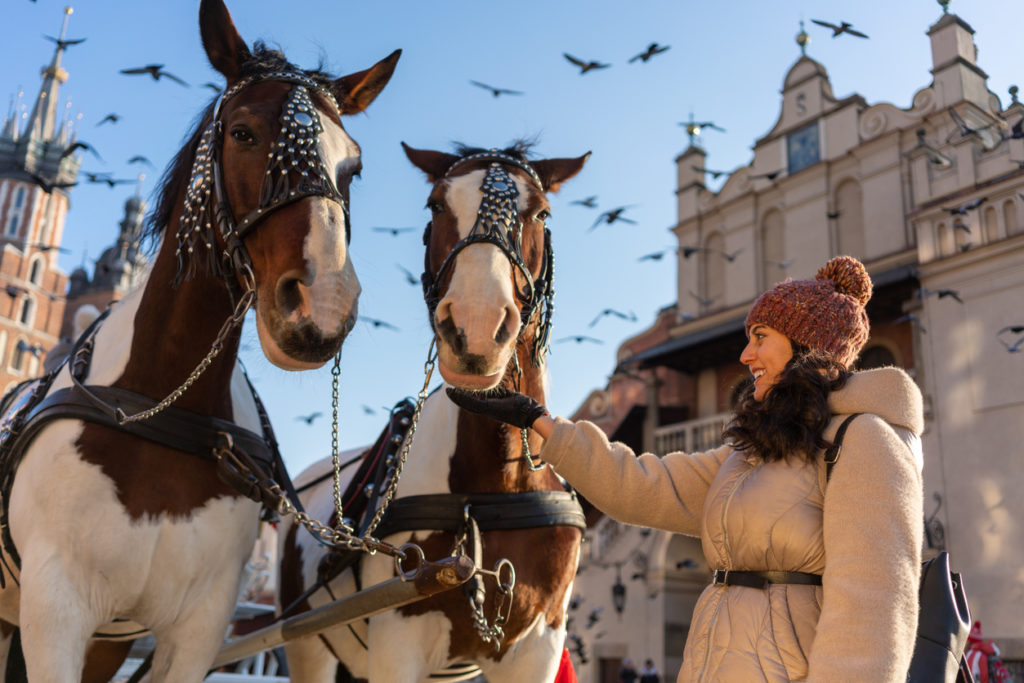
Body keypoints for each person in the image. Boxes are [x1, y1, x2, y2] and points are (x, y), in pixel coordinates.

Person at [448, 256, 925, 683]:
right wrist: (541, 423)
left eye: (760, 338)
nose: (745, 356)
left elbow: (874, 609)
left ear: (805, 345)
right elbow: (639, 484)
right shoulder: (749, 456)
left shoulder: (864, 441)